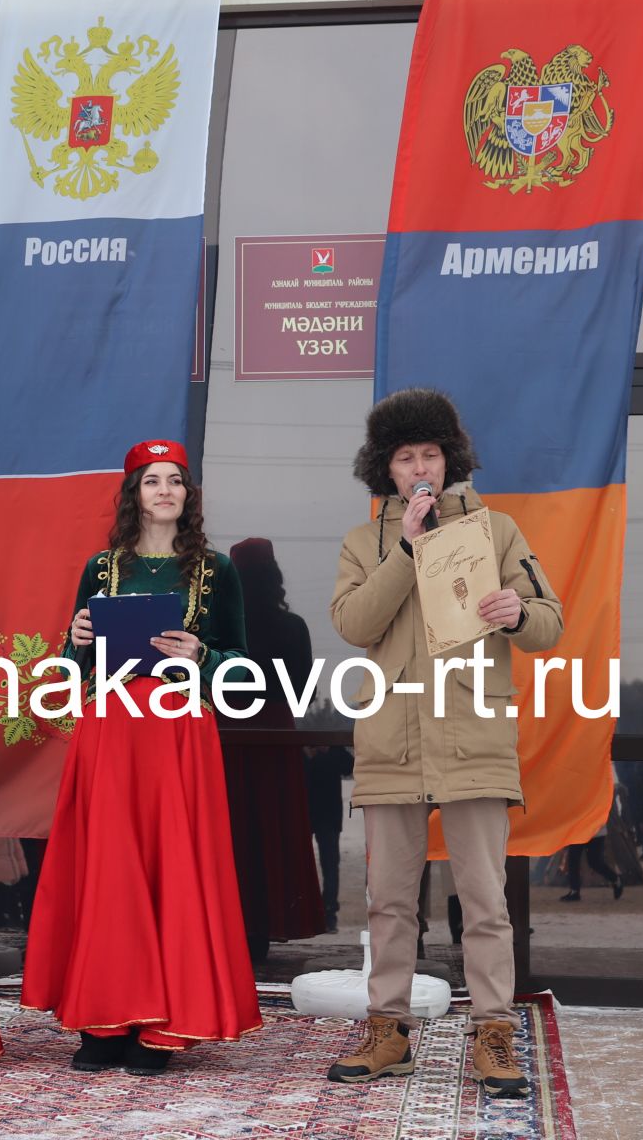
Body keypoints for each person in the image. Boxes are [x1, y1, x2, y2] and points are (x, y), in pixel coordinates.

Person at [322, 389, 563, 1099]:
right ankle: (387, 1031)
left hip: (473, 736)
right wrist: (408, 549)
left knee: (484, 901)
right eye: (406, 457)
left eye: (430, 454)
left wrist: (518, 611)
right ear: (386, 470)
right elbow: (354, 622)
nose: (420, 467)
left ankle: (493, 1034)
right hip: (392, 738)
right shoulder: (363, 543)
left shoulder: (497, 531)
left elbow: (550, 623)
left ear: (450, 459)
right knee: (389, 902)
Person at [22, 440, 261, 1077]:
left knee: (171, 867)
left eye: (175, 481)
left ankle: (162, 1026)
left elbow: (244, 672)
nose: (164, 490)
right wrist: (74, 645)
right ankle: (104, 1022)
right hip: (111, 727)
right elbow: (74, 672)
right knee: (108, 868)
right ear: (134, 494)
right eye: (151, 480)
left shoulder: (216, 570)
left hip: (178, 733)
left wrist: (201, 658)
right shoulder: (101, 568)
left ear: (188, 495)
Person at [225, 537, 326, 960]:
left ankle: (231, 927)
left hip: (227, 735)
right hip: (277, 735)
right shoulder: (293, 626)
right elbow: (304, 690)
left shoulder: (222, 628)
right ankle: (267, 928)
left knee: (233, 832)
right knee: (273, 827)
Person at [305, 743, 355, 933]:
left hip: (322, 814)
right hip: (318, 813)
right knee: (326, 866)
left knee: (330, 865)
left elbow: (349, 766)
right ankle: (322, 913)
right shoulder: (330, 746)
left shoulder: (332, 747)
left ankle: (327, 914)